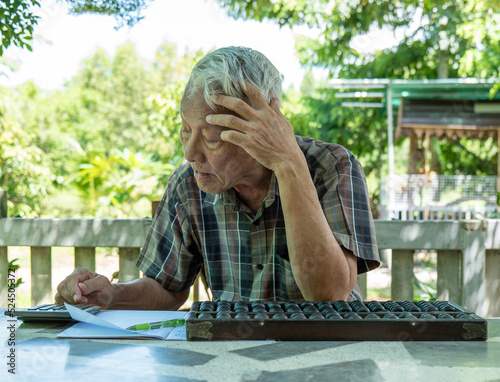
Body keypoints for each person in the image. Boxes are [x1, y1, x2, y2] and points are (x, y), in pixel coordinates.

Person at [55, 46, 380, 310]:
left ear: (267, 123)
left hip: (328, 351)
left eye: (211, 138)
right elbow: (167, 288)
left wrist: (287, 163)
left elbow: (330, 295)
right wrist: (113, 295)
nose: (190, 153)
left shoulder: (333, 167)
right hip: (229, 354)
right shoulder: (187, 184)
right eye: (185, 131)